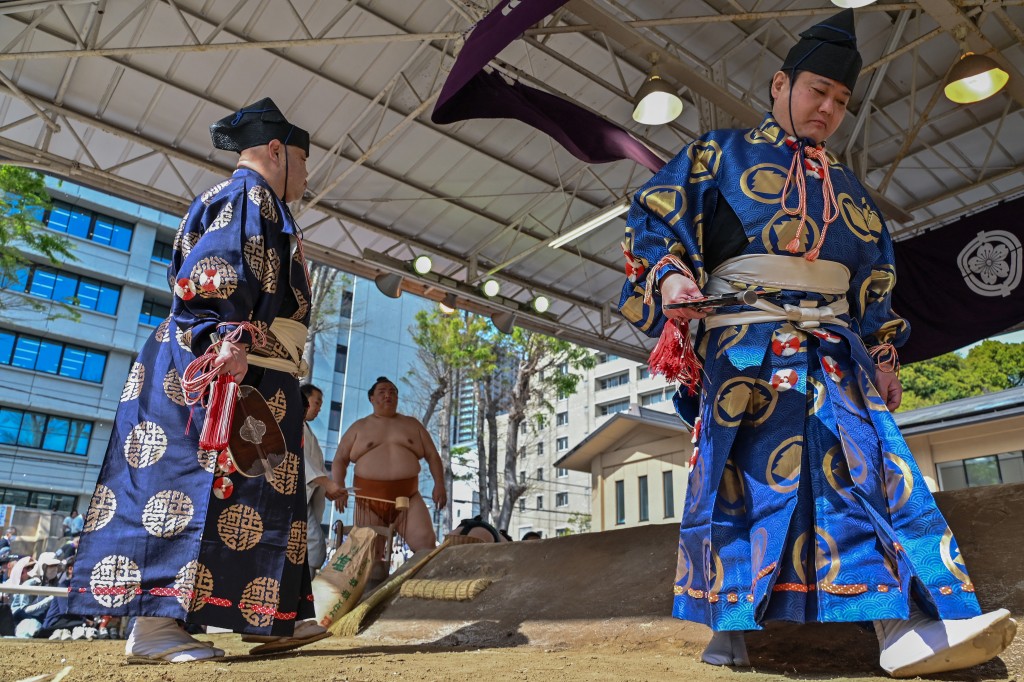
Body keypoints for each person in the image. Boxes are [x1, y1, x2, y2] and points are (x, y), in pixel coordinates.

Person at [618, 10, 1016, 678]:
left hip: (833, 351)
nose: (829, 107)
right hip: (743, 350)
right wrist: (673, 278)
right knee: (738, 488)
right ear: (781, 85)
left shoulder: (855, 195)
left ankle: (907, 627)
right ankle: (731, 629)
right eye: (817, 92)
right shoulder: (718, 155)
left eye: (840, 101)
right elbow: (654, 216)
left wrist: (884, 353)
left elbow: (877, 282)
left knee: (869, 475)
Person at [69, 97, 329, 663]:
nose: (307, 177)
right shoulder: (245, 194)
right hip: (214, 366)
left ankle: (269, 618)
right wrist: (226, 341)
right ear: (278, 151)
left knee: (253, 498)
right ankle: (156, 629)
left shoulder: (259, 202)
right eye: (304, 163)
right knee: (185, 491)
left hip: (257, 366)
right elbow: (214, 274)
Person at [332, 376, 446, 553]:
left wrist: (439, 484)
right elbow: (340, 459)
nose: (388, 395)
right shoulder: (359, 427)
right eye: (382, 392)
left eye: (392, 392)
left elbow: (432, 455)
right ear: (371, 399)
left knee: (426, 545)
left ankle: (418, 582)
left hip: (408, 499)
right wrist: (338, 486)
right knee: (370, 556)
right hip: (368, 502)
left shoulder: (412, 425)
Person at [300, 383, 344, 577]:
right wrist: (327, 485)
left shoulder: (309, 433)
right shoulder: (290, 424)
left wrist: (329, 489)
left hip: (303, 499)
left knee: (311, 545)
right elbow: (303, 463)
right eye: (316, 403)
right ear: (303, 399)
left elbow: (317, 469)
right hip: (292, 499)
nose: (319, 409)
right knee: (315, 543)